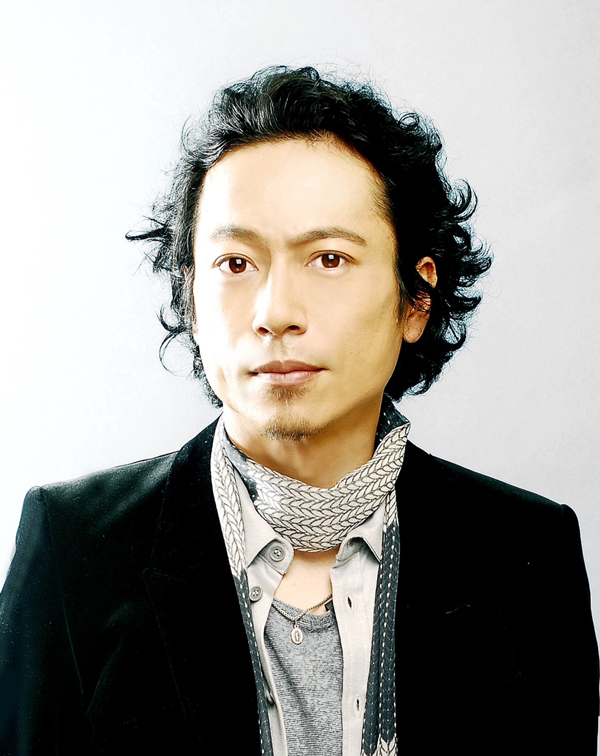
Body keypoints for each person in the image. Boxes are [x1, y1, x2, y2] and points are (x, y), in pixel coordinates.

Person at [0, 66, 597, 756]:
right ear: (191, 296)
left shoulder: (527, 553)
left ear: (416, 299)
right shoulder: (75, 549)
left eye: (329, 259)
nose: (276, 312)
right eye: (235, 264)